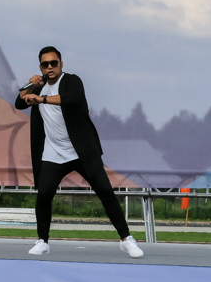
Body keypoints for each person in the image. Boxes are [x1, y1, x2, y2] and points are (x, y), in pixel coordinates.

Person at [15, 46, 143, 258]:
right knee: (44, 195)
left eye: (54, 63)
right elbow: (19, 103)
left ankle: (126, 239)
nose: (50, 67)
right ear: (41, 67)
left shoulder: (72, 81)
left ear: (61, 64)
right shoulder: (39, 87)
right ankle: (42, 241)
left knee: (105, 191)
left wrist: (42, 99)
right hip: (53, 153)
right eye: (45, 64)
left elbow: (71, 99)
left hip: (81, 151)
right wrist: (30, 86)